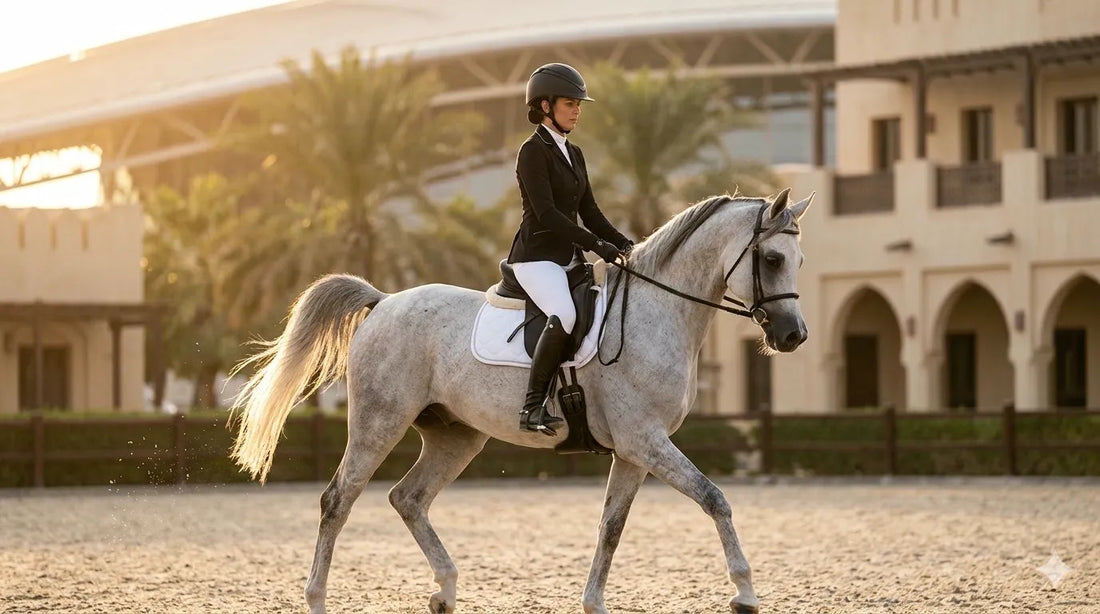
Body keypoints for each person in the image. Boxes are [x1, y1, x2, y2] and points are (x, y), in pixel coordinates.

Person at [508, 62, 634, 435]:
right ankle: (531, 408)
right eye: (569, 103)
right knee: (563, 313)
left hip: (568, 259)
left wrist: (625, 245)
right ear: (545, 106)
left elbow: (589, 210)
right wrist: (597, 246)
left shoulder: (574, 153)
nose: (577, 110)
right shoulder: (532, 152)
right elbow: (546, 214)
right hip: (536, 258)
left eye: (579, 104)